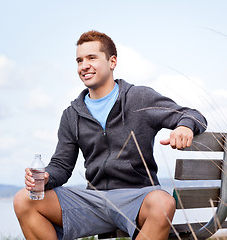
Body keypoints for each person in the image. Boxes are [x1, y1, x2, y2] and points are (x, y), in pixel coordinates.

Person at [13, 30, 207, 240]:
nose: (84, 65)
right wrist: (47, 177)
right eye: (79, 60)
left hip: (138, 197)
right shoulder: (71, 115)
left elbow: (193, 115)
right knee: (23, 200)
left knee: (163, 203)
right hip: (92, 200)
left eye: (92, 58)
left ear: (112, 62)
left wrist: (184, 127)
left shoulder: (139, 98)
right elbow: (62, 165)